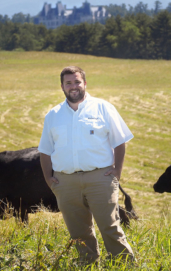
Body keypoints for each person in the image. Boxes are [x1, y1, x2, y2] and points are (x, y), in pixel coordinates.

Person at [38, 65, 135, 264]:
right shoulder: (53, 115)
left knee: (110, 226)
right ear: (62, 86)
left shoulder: (103, 108)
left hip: (100, 178)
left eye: (77, 82)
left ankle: (125, 265)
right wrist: (49, 179)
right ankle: (88, 264)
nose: (73, 86)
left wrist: (117, 171)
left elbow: (119, 141)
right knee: (78, 231)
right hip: (66, 182)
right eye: (68, 83)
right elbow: (45, 150)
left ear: (85, 83)